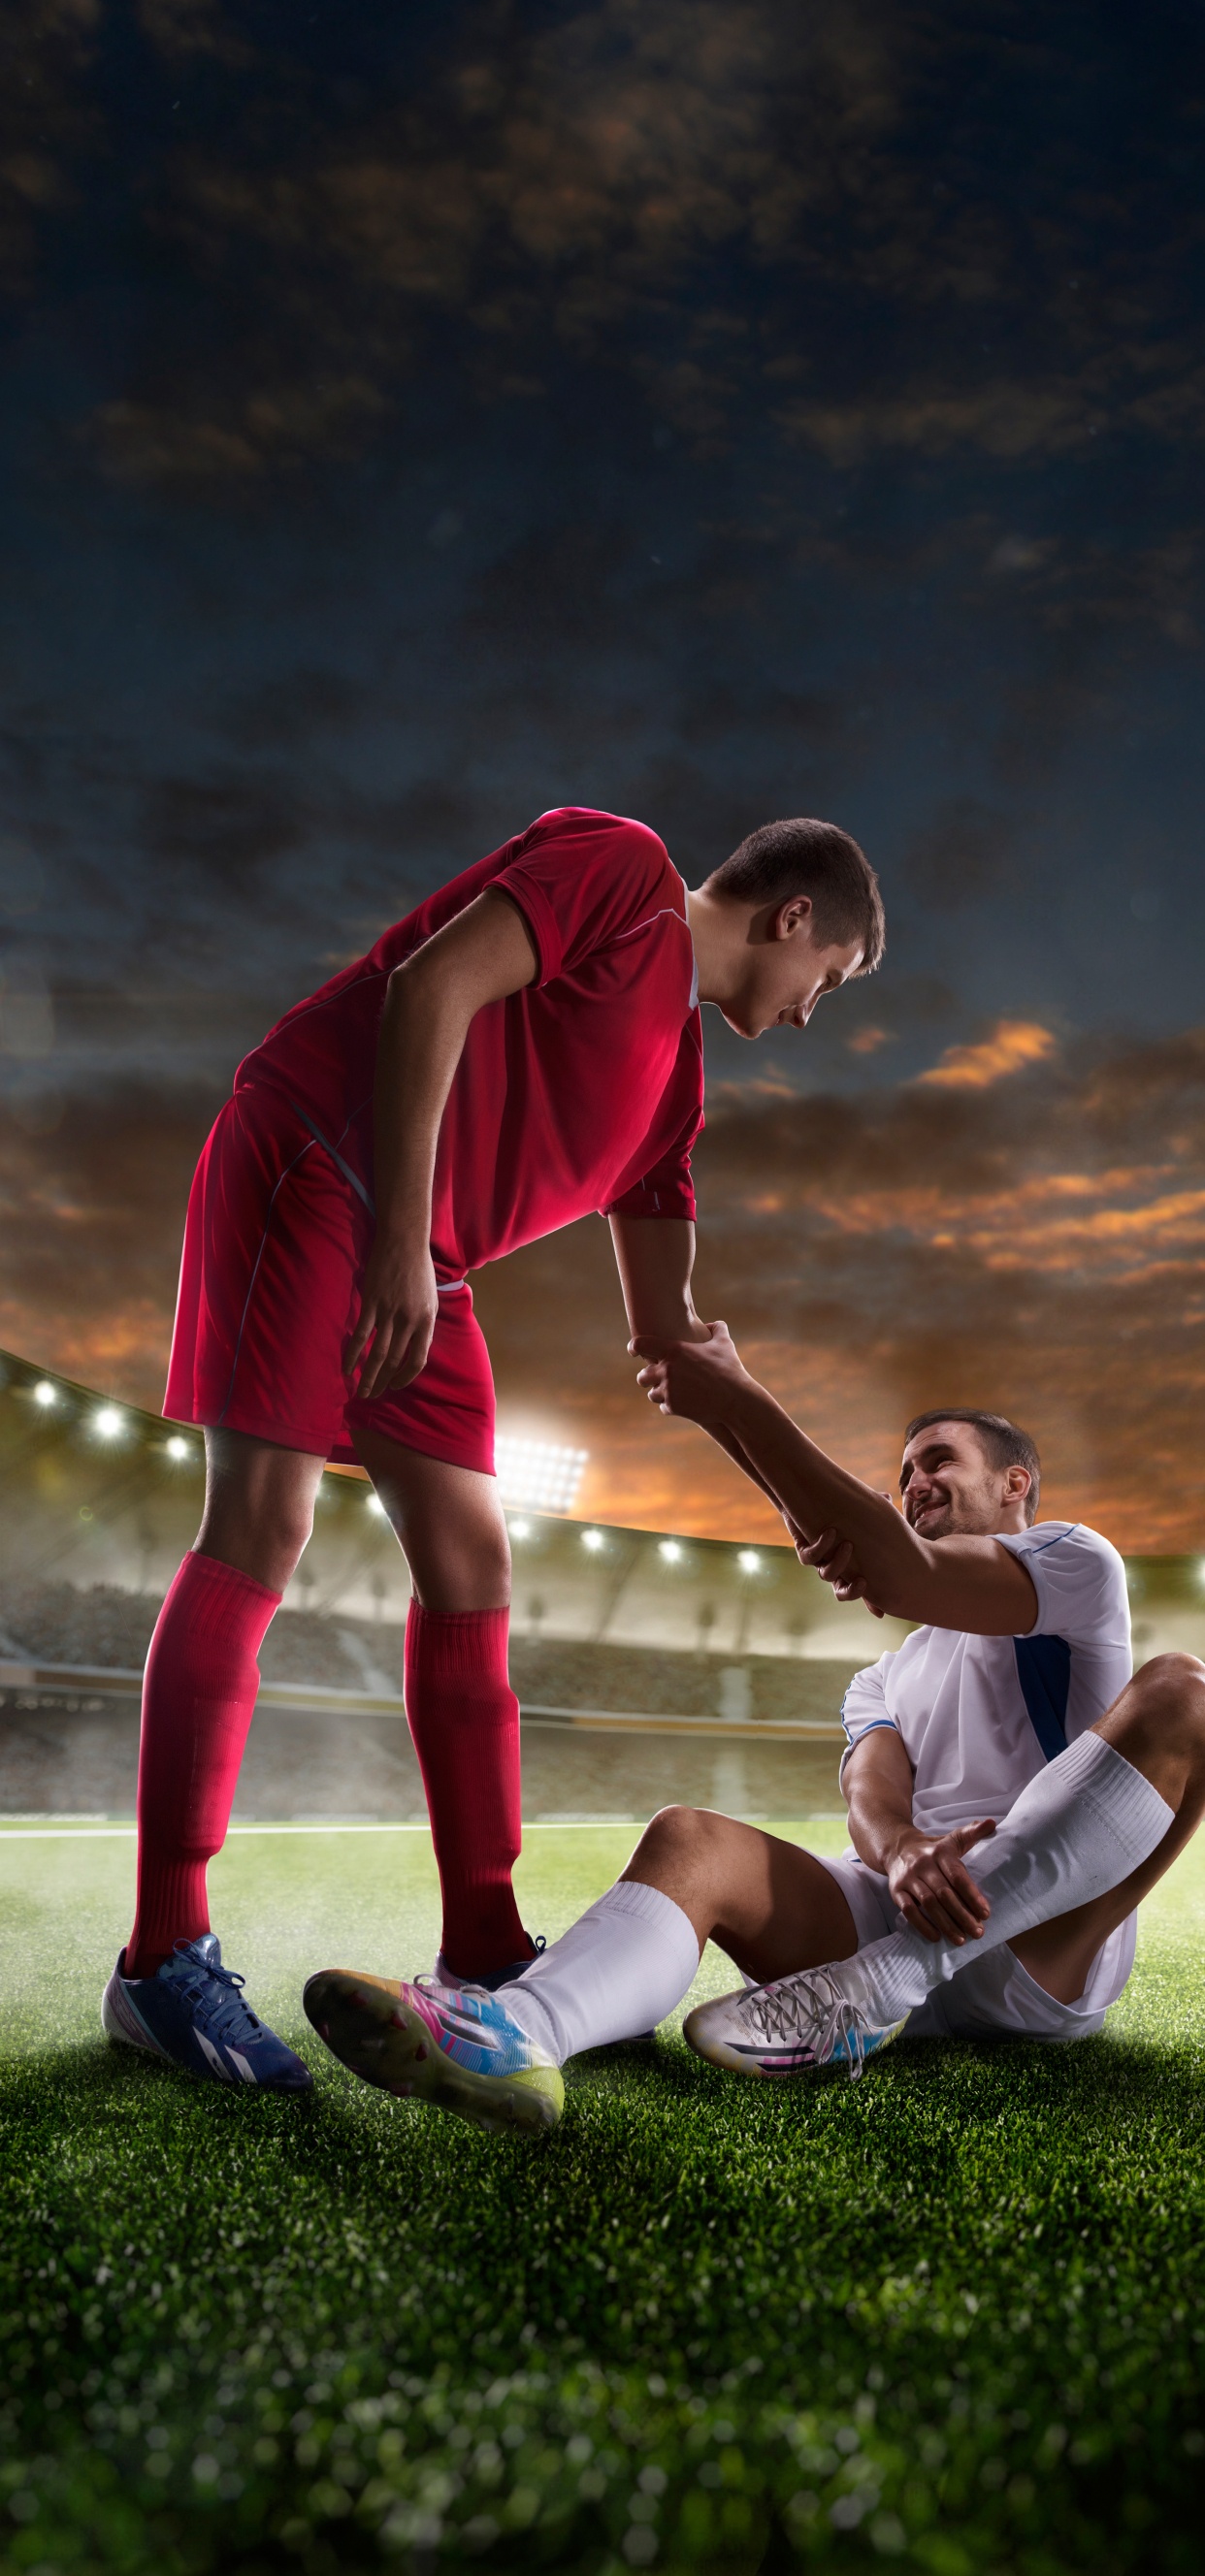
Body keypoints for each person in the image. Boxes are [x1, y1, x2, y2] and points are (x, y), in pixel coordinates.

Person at [102, 810, 884, 2089]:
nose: (811, 1011)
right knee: (262, 1524)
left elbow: (670, 1338)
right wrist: (398, 1241)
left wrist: (798, 1502)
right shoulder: (622, 870)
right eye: (830, 979)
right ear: (792, 916)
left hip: (426, 1256)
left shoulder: (676, 1087)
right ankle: (159, 1959)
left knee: (473, 1562)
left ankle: (480, 1946)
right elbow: (431, 985)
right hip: (319, 1161)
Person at [302, 1345, 1205, 2132]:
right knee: (689, 1838)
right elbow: (871, 1792)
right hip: (907, 1905)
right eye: (903, 1475)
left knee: (1184, 1691)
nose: (915, 1483)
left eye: (939, 1460)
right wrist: (901, 1853)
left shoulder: (1077, 1564)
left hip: (1036, 1946)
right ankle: (521, 2034)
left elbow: (901, 1569)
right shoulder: (883, 1677)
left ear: (1016, 1485)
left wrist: (736, 1399)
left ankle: (881, 1985)